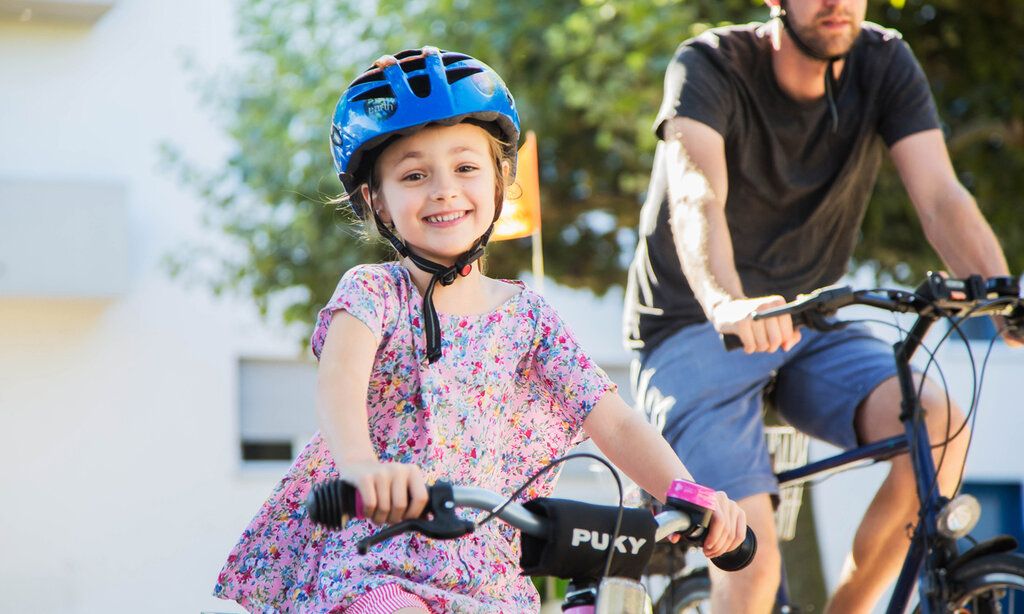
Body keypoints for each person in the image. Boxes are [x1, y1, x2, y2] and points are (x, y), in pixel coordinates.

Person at [213, 47, 746, 614]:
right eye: (415, 175)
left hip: (492, 580)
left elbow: (611, 419)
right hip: (377, 569)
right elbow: (337, 392)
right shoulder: (372, 294)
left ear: (500, 181)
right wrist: (364, 469)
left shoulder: (528, 318)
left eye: (465, 167)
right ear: (377, 202)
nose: (443, 189)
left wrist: (687, 492)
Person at [623, 1, 1021, 612]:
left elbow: (940, 194)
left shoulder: (884, 60)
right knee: (749, 559)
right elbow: (696, 189)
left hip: (813, 320)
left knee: (938, 424)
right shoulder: (708, 64)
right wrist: (727, 302)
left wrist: (1002, 293)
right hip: (694, 326)